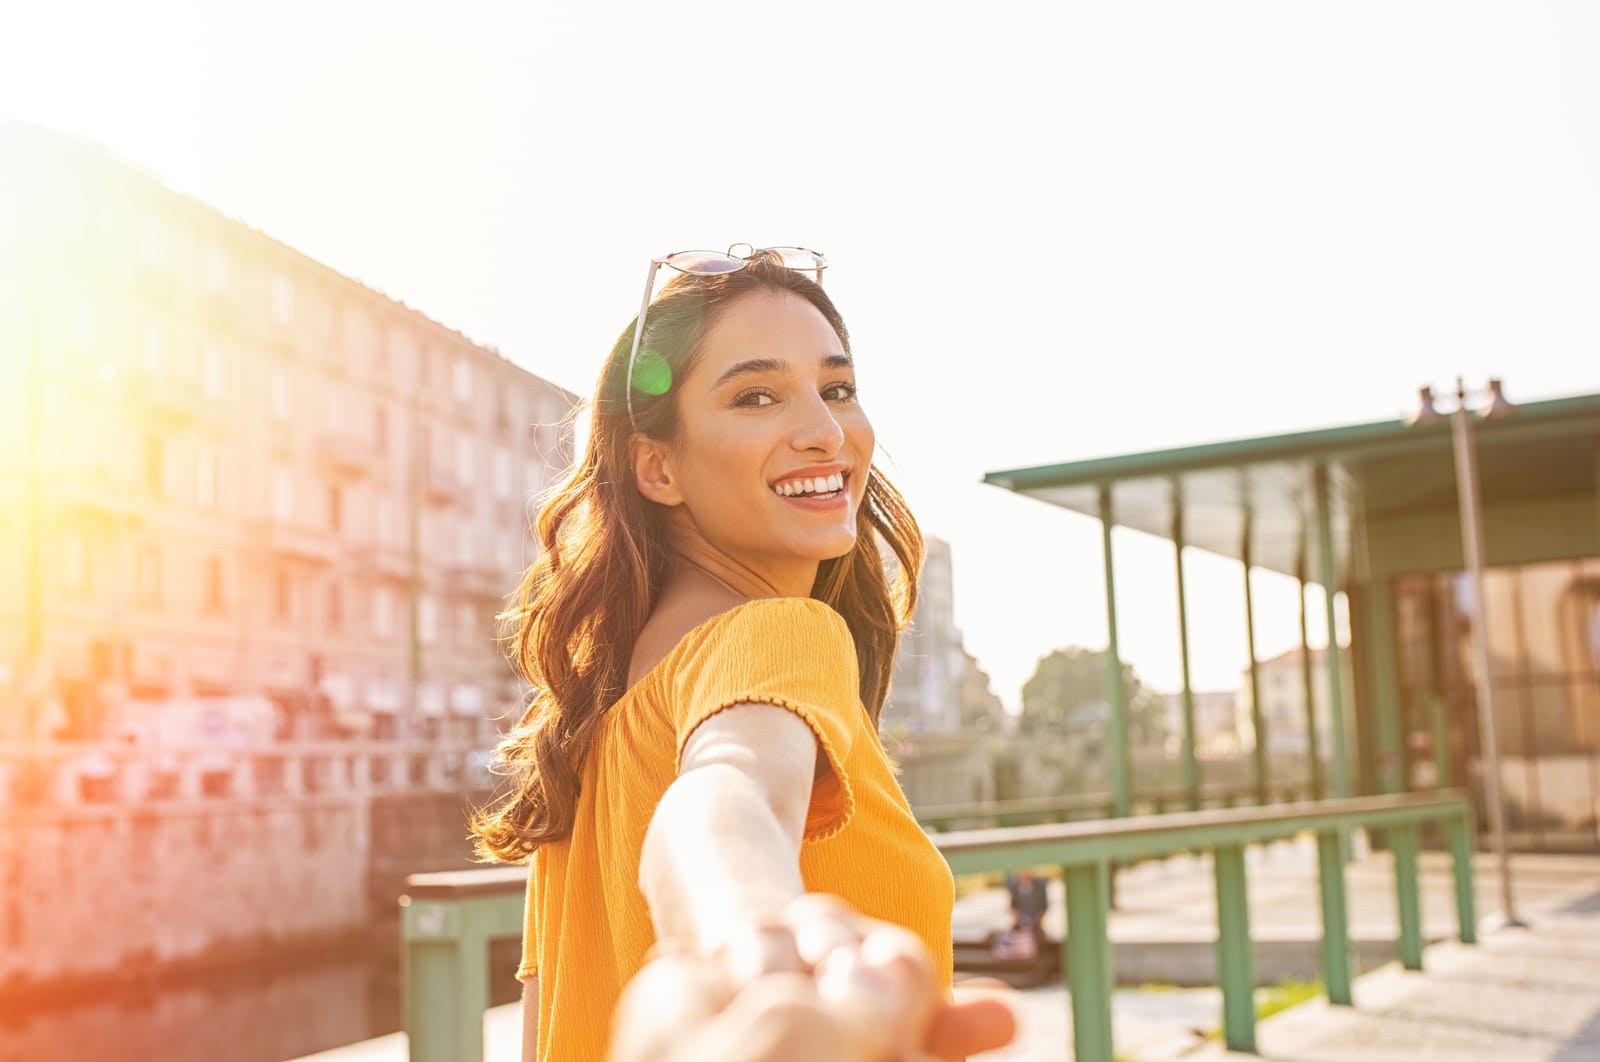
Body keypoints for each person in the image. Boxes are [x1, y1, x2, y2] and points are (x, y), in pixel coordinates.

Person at [471, 246, 1014, 1061]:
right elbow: (722, 799)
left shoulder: (588, 731)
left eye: (837, 389)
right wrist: (756, 945)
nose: (824, 432)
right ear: (658, 466)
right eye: (756, 396)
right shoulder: (776, 632)